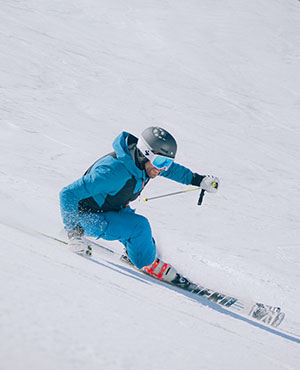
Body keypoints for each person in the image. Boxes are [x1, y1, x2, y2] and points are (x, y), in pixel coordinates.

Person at [59, 126, 219, 271]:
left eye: (167, 162)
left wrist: (199, 180)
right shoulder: (112, 172)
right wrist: (74, 234)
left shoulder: (145, 164)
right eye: (161, 162)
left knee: (145, 240)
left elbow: (172, 171)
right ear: (145, 153)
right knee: (139, 227)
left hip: (110, 208)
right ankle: (146, 263)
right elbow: (68, 193)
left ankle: (139, 255)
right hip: (85, 218)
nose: (162, 168)